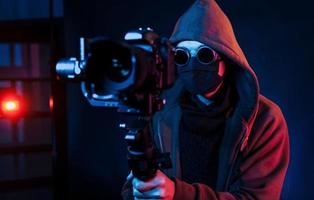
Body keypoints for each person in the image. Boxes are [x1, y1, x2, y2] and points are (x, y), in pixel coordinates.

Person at [121, 0, 290, 199]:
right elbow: (131, 187)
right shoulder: (159, 111)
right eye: (182, 56)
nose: (192, 65)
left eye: (204, 54)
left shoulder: (265, 120)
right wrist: (139, 190)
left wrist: (178, 194)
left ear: (227, 57)